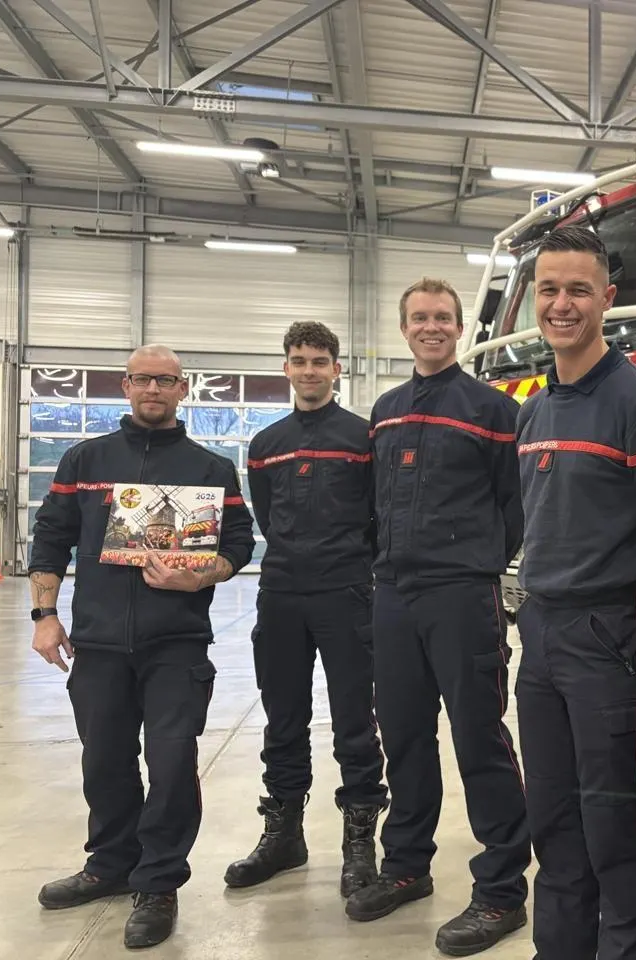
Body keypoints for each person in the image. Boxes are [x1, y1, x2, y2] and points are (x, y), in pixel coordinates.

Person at [28, 345, 256, 949]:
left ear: (183, 389)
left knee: (172, 762)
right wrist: (45, 615)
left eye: (165, 380)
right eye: (142, 379)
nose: (153, 389)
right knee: (104, 760)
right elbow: (50, 536)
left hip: (176, 644)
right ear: (126, 386)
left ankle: (158, 882)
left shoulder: (211, 468)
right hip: (99, 644)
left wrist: (199, 577)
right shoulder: (84, 459)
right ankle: (110, 864)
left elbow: (239, 544)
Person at [515, 225, 636, 960]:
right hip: (539, 635)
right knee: (553, 824)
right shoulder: (533, 409)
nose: (562, 305)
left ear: (608, 299)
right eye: (549, 290)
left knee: (613, 825)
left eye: (578, 290)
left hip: (611, 637)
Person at [347, 278, 530, 957]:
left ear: (459, 328)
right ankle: (406, 866)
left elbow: (515, 503)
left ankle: (502, 890)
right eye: (420, 317)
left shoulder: (493, 409)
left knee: (479, 738)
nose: (432, 327)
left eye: (443, 317)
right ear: (405, 329)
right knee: (403, 736)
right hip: (393, 594)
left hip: (461, 595)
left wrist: (478, 560)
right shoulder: (386, 410)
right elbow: (374, 500)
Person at [226, 322, 387, 899]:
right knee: (283, 717)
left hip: (347, 593)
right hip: (282, 594)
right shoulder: (266, 444)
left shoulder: (363, 437)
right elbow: (268, 517)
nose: (310, 370)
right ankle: (284, 835)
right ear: (286, 368)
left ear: (337, 369)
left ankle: (359, 841)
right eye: (300, 360)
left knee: (354, 721)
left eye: (320, 361)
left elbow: (379, 514)